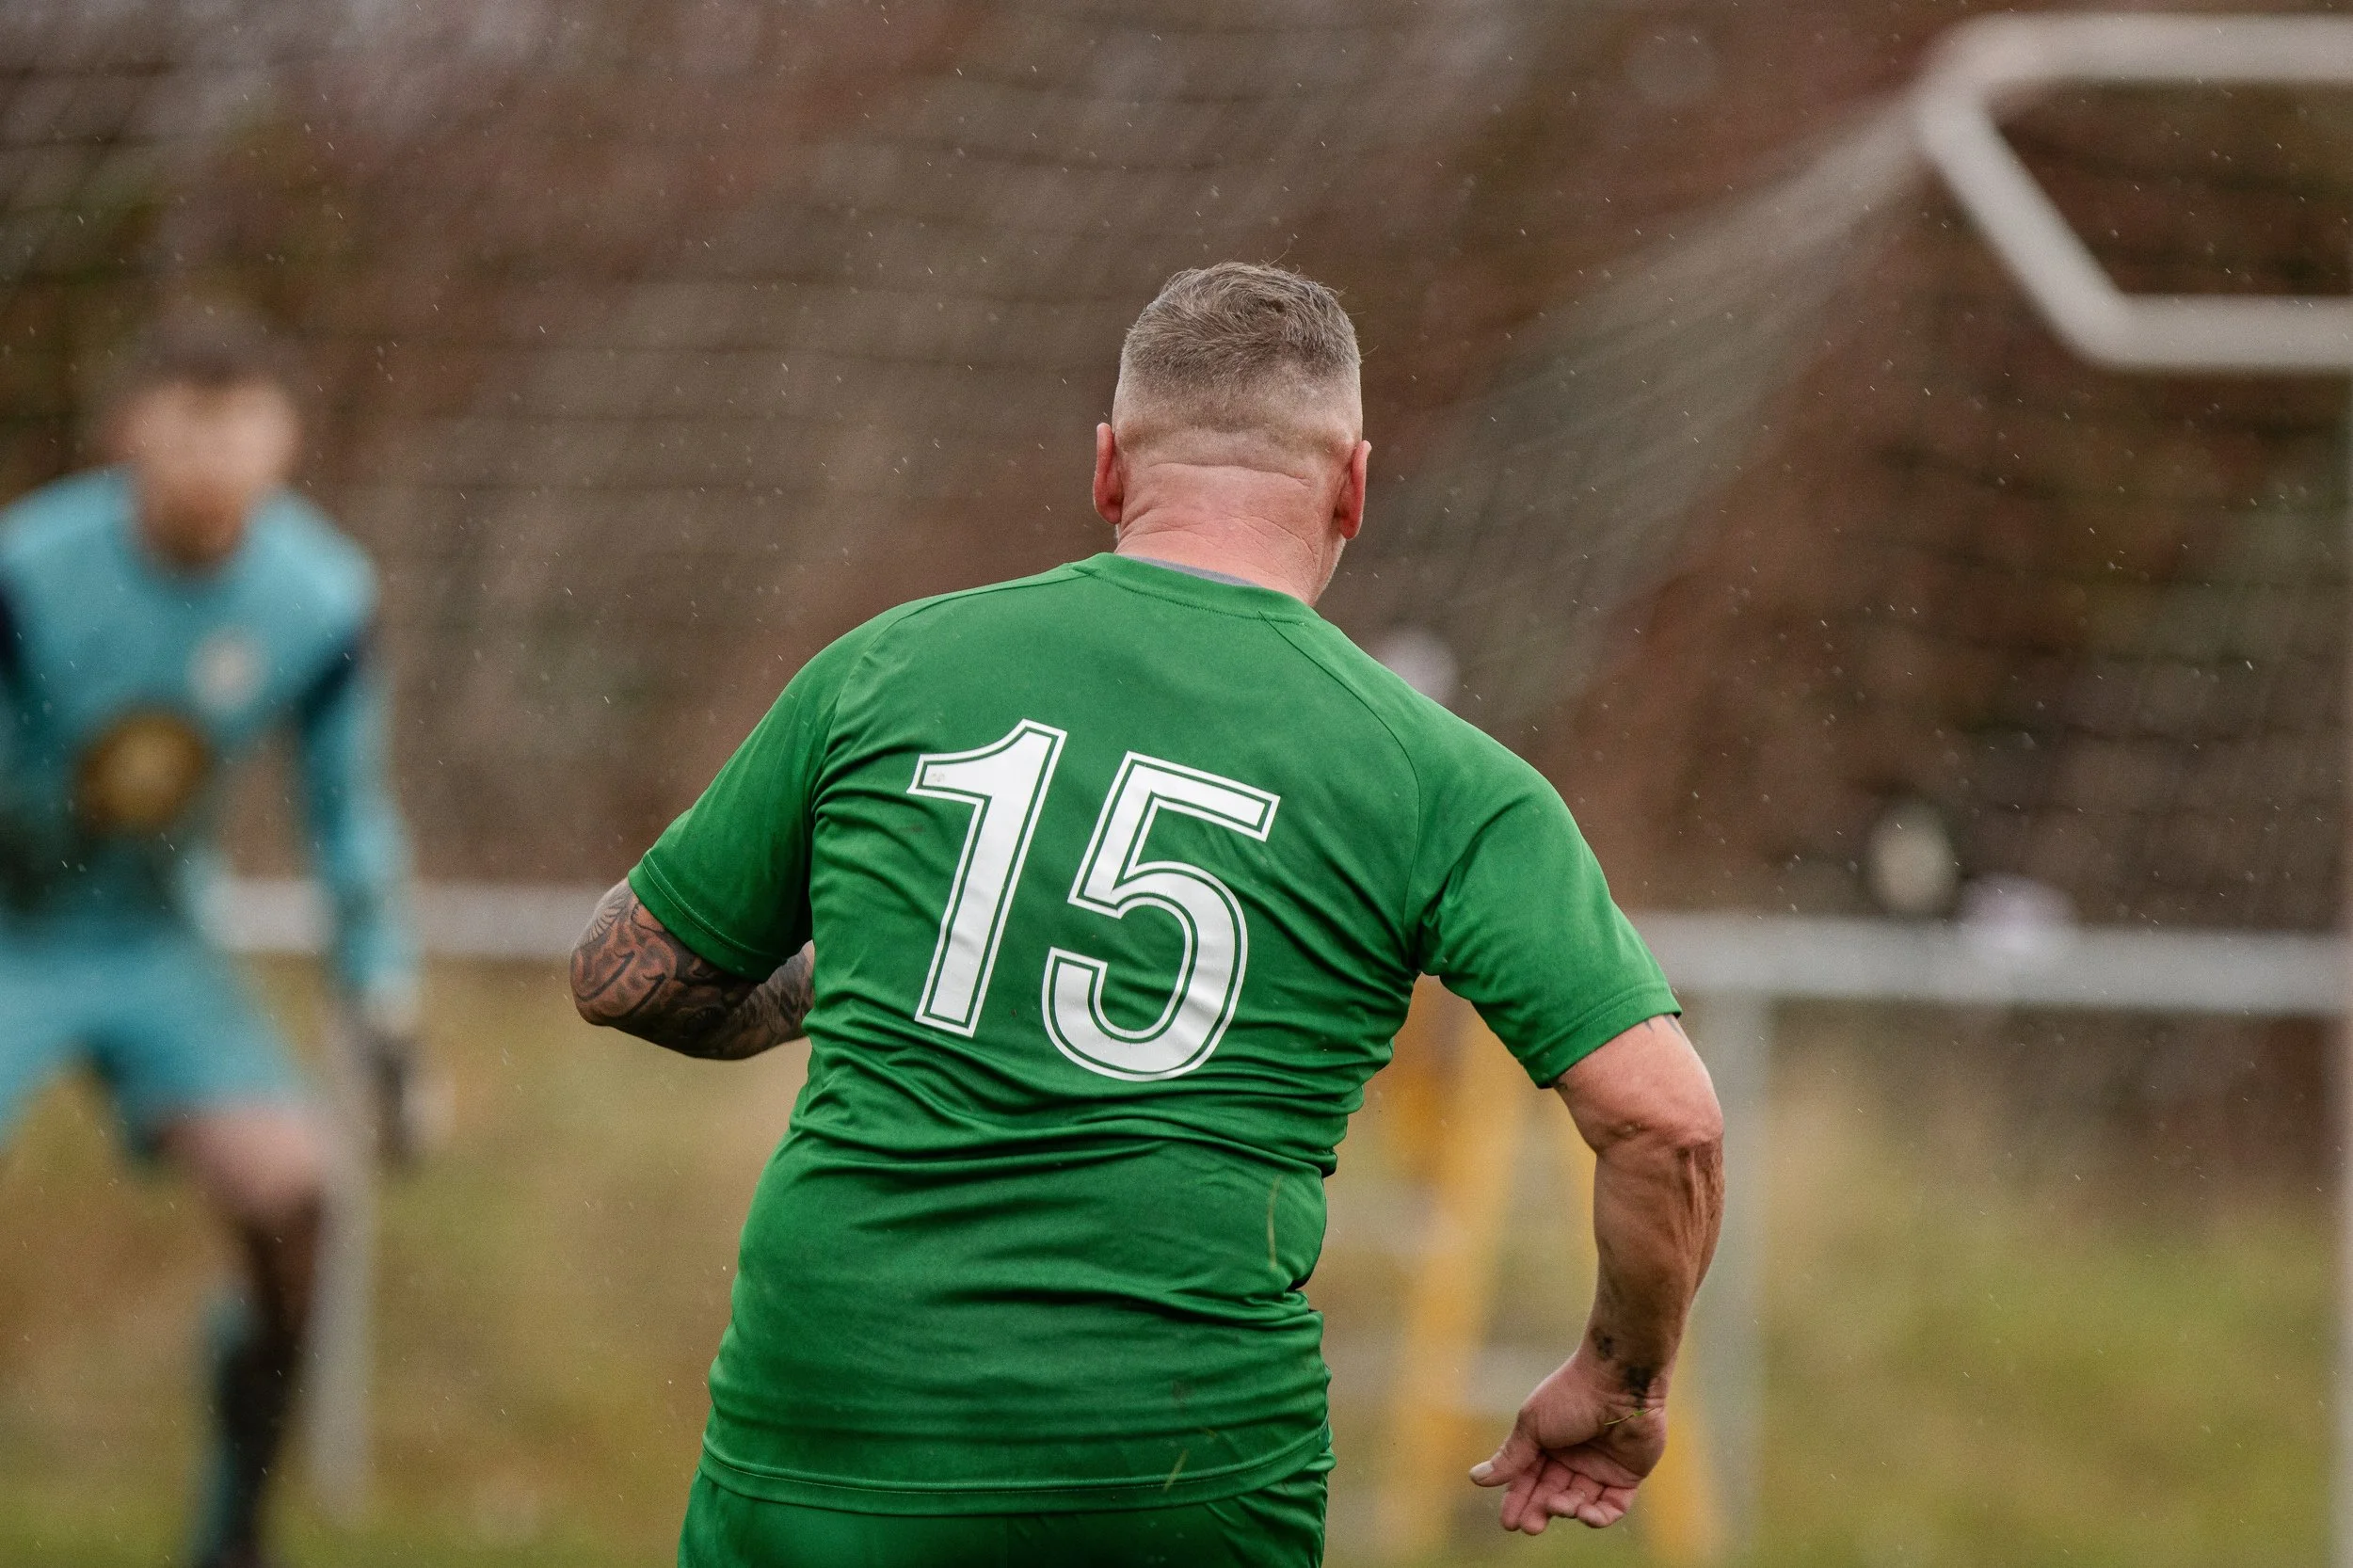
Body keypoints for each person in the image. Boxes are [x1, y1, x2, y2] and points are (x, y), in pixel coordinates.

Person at [570, 262, 1724, 1565]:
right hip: (1174, 1463)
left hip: (832, 1427)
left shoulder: (887, 663)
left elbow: (626, 973)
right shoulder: (1445, 779)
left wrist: (855, 976)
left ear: (1109, 470)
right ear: (1354, 487)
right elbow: (1664, 1120)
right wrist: (1620, 1382)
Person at [0, 308, 427, 1568]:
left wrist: (383, 1006)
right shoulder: (27, 573)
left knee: (295, 1199)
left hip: (152, 938)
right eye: (187, 426)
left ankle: (235, 1526)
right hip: (10, 925)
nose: (212, 459)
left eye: (240, 428)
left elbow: (349, 819)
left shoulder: (320, 599)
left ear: (285, 441)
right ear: (129, 430)